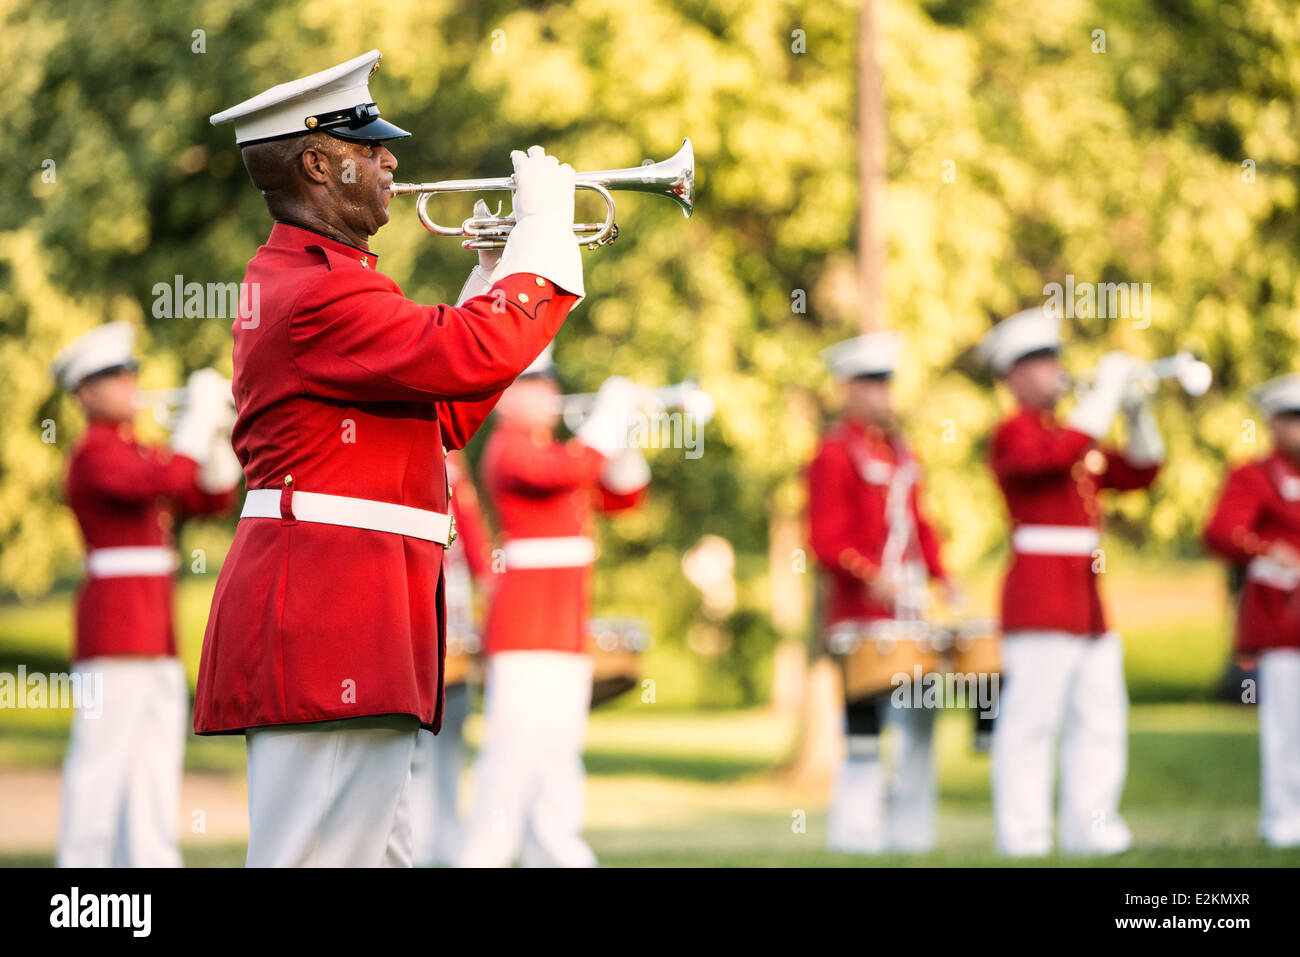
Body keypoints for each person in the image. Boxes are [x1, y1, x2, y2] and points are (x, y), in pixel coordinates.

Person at [197, 49, 586, 867]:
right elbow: (470, 356)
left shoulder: (329, 279)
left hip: (355, 608)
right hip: (330, 611)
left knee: (375, 855)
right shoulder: (322, 290)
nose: (391, 160)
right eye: (370, 146)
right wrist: (543, 236)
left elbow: (441, 411)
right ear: (316, 163)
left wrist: (490, 278)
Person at [51, 321, 239, 867]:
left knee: (155, 765)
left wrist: (216, 437)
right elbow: (157, 484)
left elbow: (210, 499)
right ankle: (80, 874)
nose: (130, 381)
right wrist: (196, 424)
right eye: (112, 375)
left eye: (130, 370)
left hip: (153, 632)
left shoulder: (139, 449)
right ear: (84, 393)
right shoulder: (93, 453)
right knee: (101, 762)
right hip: (115, 630)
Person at [978, 308, 1162, 856]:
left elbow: (1142, 471)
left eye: (1054, 357)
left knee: (1102, 716)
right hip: (1039, 593)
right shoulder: (1012, 433)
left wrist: (1136, 407)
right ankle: (1024, 835)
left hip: (1085, 596)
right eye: (1037, 361)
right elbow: (1052, 459)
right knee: (1031, 722)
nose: (1053, 369)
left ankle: (1093, 829)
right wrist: (1103, 396)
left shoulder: (1073, 432)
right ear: (1012, 376)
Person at [456, 346, 649, 867]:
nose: (549, 395)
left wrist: (625, 436)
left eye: (549, 384)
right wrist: (608, 421)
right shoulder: (508, 448)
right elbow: (567, 471)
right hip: (524, 632)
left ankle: (557, 853)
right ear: (502, 398)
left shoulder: (555, 449)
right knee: (512, 754)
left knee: (559, 755)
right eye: (531, 385)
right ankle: (483, 857)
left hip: (562, 632)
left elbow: (625, 498)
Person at [807, 330, 957, 854]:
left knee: (919, 730)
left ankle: (912, 837)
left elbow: (920, 522)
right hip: (860, 616)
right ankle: (857, 837)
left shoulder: (899, 451)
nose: (881, 394)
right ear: (847, 388)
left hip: (911, 613)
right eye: (870, 383)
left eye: (886, 383)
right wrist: (873, 576)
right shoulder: (832, 452)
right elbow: (826, 541)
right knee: (866, 734)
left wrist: (943, 576)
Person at [1203, 373, 1300, 848]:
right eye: (1292, 417)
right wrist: (1268, 549)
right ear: (1272, 423)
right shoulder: (1255, 475)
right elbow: (1221, 532)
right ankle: (1284, 822)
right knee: (1286, 726)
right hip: (1283, 620)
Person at [408, 449, 493, 867]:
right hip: (410, 635)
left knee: (449, 752)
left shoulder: (454, 470)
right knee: (409, 758)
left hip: (454, 638)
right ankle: (416, 850)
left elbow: (478, 551)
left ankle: (443, 850)